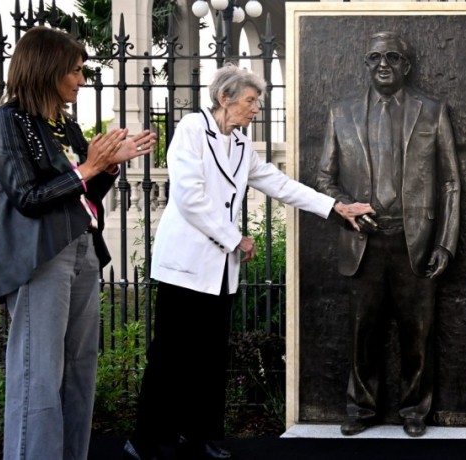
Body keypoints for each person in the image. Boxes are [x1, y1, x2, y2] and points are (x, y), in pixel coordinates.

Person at [124, 64, 373, 460]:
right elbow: (190, 198)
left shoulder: (241, 144)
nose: (256, 108)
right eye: (251, 100)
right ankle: (145, 438)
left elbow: (279, 183)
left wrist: (335, 207)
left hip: (219, 271)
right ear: (225, 98)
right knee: (170, 355)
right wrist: (233, 237)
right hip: (185, 264)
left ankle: (200, 435)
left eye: (257, 101)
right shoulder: (191, 129)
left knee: (209, 356)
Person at [0, 26, 155, 460]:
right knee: (38, 375)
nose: (82, 79)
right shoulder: (7, 120)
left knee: (80, 373)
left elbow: (83, 197)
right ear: (48, 69)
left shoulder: (65, 124)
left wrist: (108, 168)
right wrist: (87, 167)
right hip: (40, 258)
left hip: (82, 250)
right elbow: (27, 196)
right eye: (75, 71)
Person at [316, 31, 461, 438]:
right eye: (375, 56)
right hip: (363, 240)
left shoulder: (432, 112)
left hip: (414, 240)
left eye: (393, 57)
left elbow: (450, 181)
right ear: (366, 64)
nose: (383, 63)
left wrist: (446, 243)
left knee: (418, 333)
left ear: (406, 66)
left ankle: (415, 410)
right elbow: (324, 177)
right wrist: (347, 210)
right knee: (363, 332)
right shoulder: (339, 113)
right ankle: (360, 408)